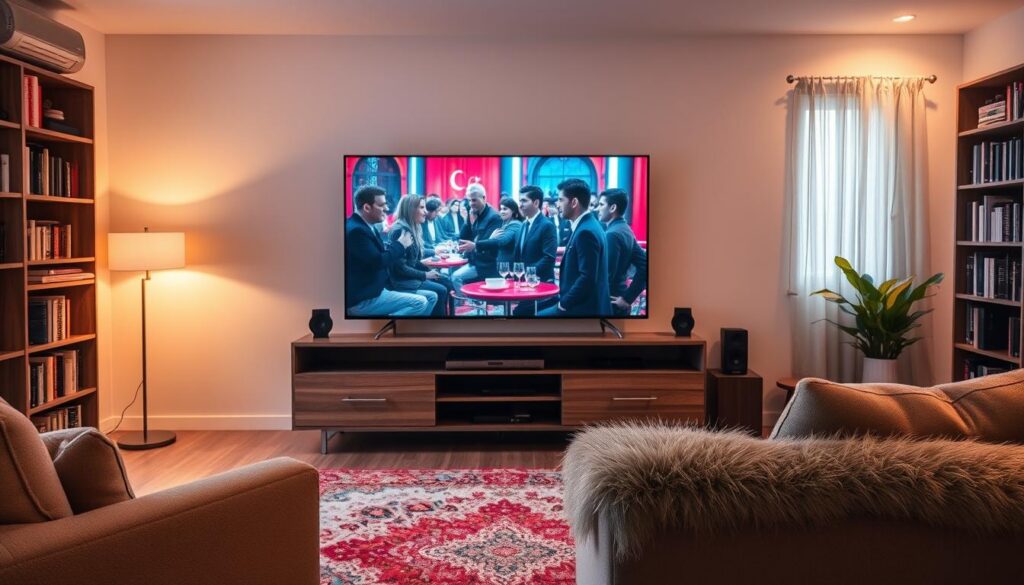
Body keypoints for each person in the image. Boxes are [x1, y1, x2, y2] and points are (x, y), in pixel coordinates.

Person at [345, 185, 432, 317]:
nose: (387, 209)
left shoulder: (366, 226)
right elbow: (379, 261)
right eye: (382, 205)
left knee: (431, 298)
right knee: (420, 303)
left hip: (378, 290)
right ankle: (387, 326)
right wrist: (400, 245)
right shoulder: (357, 230)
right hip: (365, 298)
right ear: (367, 208)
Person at [539, 178, 610, 317]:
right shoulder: (588, 225)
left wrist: (563, 304)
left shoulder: (586, 231)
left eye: (560, 200)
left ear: (574, 202)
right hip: (582, 304)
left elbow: (587, 278)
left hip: (582, 309)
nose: (557, 205)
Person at [387, 194, 451, 317]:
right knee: (442, 289)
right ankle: (436, 328)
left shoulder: (412, 227)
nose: (425, 212)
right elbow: (400, 268)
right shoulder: (400, 230)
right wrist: (425, 274)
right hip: (401, 281)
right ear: (411, 209)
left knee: (446, 282)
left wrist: (429, 271)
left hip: (410, 277)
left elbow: (413, 260)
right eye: (422, 208)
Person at [597, 188, 648, 317]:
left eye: (601, 204)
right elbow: (645, 265)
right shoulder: (625, 229)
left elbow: (607, 276)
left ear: (613, 207)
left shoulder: (612, 234)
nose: (598, 209)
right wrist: (627, 298)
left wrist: (627, 298)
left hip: (610, 301)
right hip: (619, 298)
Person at [512, 185, 558, 316]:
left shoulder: (547, 225)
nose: (519, 205)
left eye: (524, 201)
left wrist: (527, 274)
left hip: (541, 286)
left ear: (536, 202)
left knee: (519, 316)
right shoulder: (523, 225)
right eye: (519, 201)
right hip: (523, 286)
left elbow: (548, 258)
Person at [452, 183, 503, 291]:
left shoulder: (494, 217)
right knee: (451, 272)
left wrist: (475, 244)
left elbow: (492, 243)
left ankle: (469, 304)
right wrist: (467, 221)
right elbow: (463, 238)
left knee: (455, 277)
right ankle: (470, 303)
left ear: (484, 198)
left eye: (474, 200)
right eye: (469, 200)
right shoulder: (475, 214)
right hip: (474, 261)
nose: (471, 204)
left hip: (486, 264)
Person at [475, 196, 523, 270]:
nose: (502, 212)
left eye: (505, 209)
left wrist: (489, 239)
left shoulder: (515, 224)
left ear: (513, 210)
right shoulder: (503, 224)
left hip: (510, 268)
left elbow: (501, 241)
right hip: (500, 266)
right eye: (500, 209)